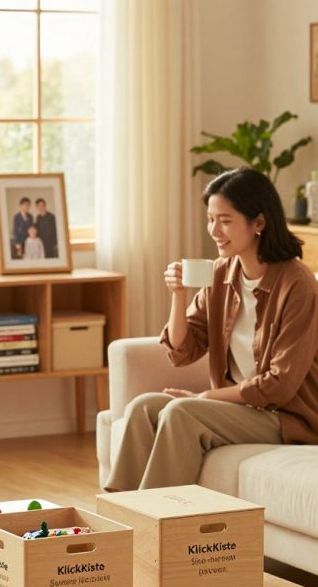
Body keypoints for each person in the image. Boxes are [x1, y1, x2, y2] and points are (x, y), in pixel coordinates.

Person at [105, 167, 318, 492]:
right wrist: (179, 297)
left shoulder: (298, 286)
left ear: (258, 222)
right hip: (240, 407)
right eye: (210, 218)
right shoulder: (221, 274)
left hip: (286, 418)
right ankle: (119, 519)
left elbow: (279, 385)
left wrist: (205, 397)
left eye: (225, 220)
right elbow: (182, 352)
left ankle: (154, 523)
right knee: (142, 408)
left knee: (182, 413)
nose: (214, 230)